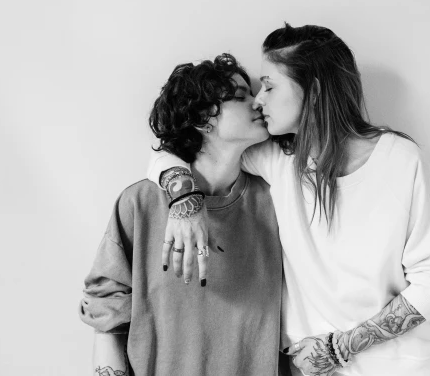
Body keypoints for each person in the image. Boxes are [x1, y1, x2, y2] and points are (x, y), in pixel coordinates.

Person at [149, 24, 430, 376]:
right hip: (310, 367)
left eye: (269, 85)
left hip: (400, 365)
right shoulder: (276, 159)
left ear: (312, 91)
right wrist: (184, 199)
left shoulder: (400, 160)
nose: (259, 99)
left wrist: (339, 347)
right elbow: (176, 154)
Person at [80, 54, 283, 376]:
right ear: (204, 118)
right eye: (240, 96)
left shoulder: (275, 201)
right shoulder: (140, 204)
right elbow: (106, 312)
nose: (258, 103)